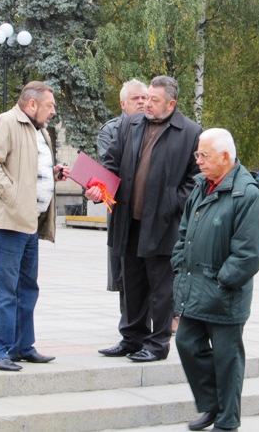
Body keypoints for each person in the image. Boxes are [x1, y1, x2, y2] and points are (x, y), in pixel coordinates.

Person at [86, 75, 202, 362]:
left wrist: (173, 202)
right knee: (131, 283)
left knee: (161, 288)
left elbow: (197, 178)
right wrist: (98, 189)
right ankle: (131, 337)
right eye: (146, 98)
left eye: (154, 100)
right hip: (129, 219)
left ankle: (156, 344)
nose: (146, 104)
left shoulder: (190, 132)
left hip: (163, 224)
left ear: (171, 103)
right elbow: (111, 162)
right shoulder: (130, 124)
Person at [171, 128, 259, 432]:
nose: (197, 161)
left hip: (225, 293)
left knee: (227, 359)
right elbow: (184, 232)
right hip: (195, 287)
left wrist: (222, 281)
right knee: (186, 341)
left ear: (225, 157)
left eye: (204, 155)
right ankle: (211, 405)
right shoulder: (202, 187)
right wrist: (178, 263)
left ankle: (227, 421)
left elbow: (249, 253)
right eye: (197, 154)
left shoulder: (248, 194)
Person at [0, 81, 71, 372]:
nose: (53, 111)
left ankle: (21, 346)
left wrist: (50, 174)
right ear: (32, 104)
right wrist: (15, 195)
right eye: (49, 105)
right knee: (4, 290)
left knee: (27, 289)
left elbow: (26, 166)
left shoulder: (40, 131)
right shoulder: (6, 123)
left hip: (28, 223)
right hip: (5, 223)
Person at [96, 80, 149, 336]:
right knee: (125, 273)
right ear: (122, 103)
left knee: (154, 272)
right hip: (123, 211)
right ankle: (130, 329)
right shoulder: (112, 130)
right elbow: (112, 169)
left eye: (144, 97)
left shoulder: (158, 126)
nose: (141, 102)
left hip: (152, 212)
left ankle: (156, 324)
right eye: (135, 98)